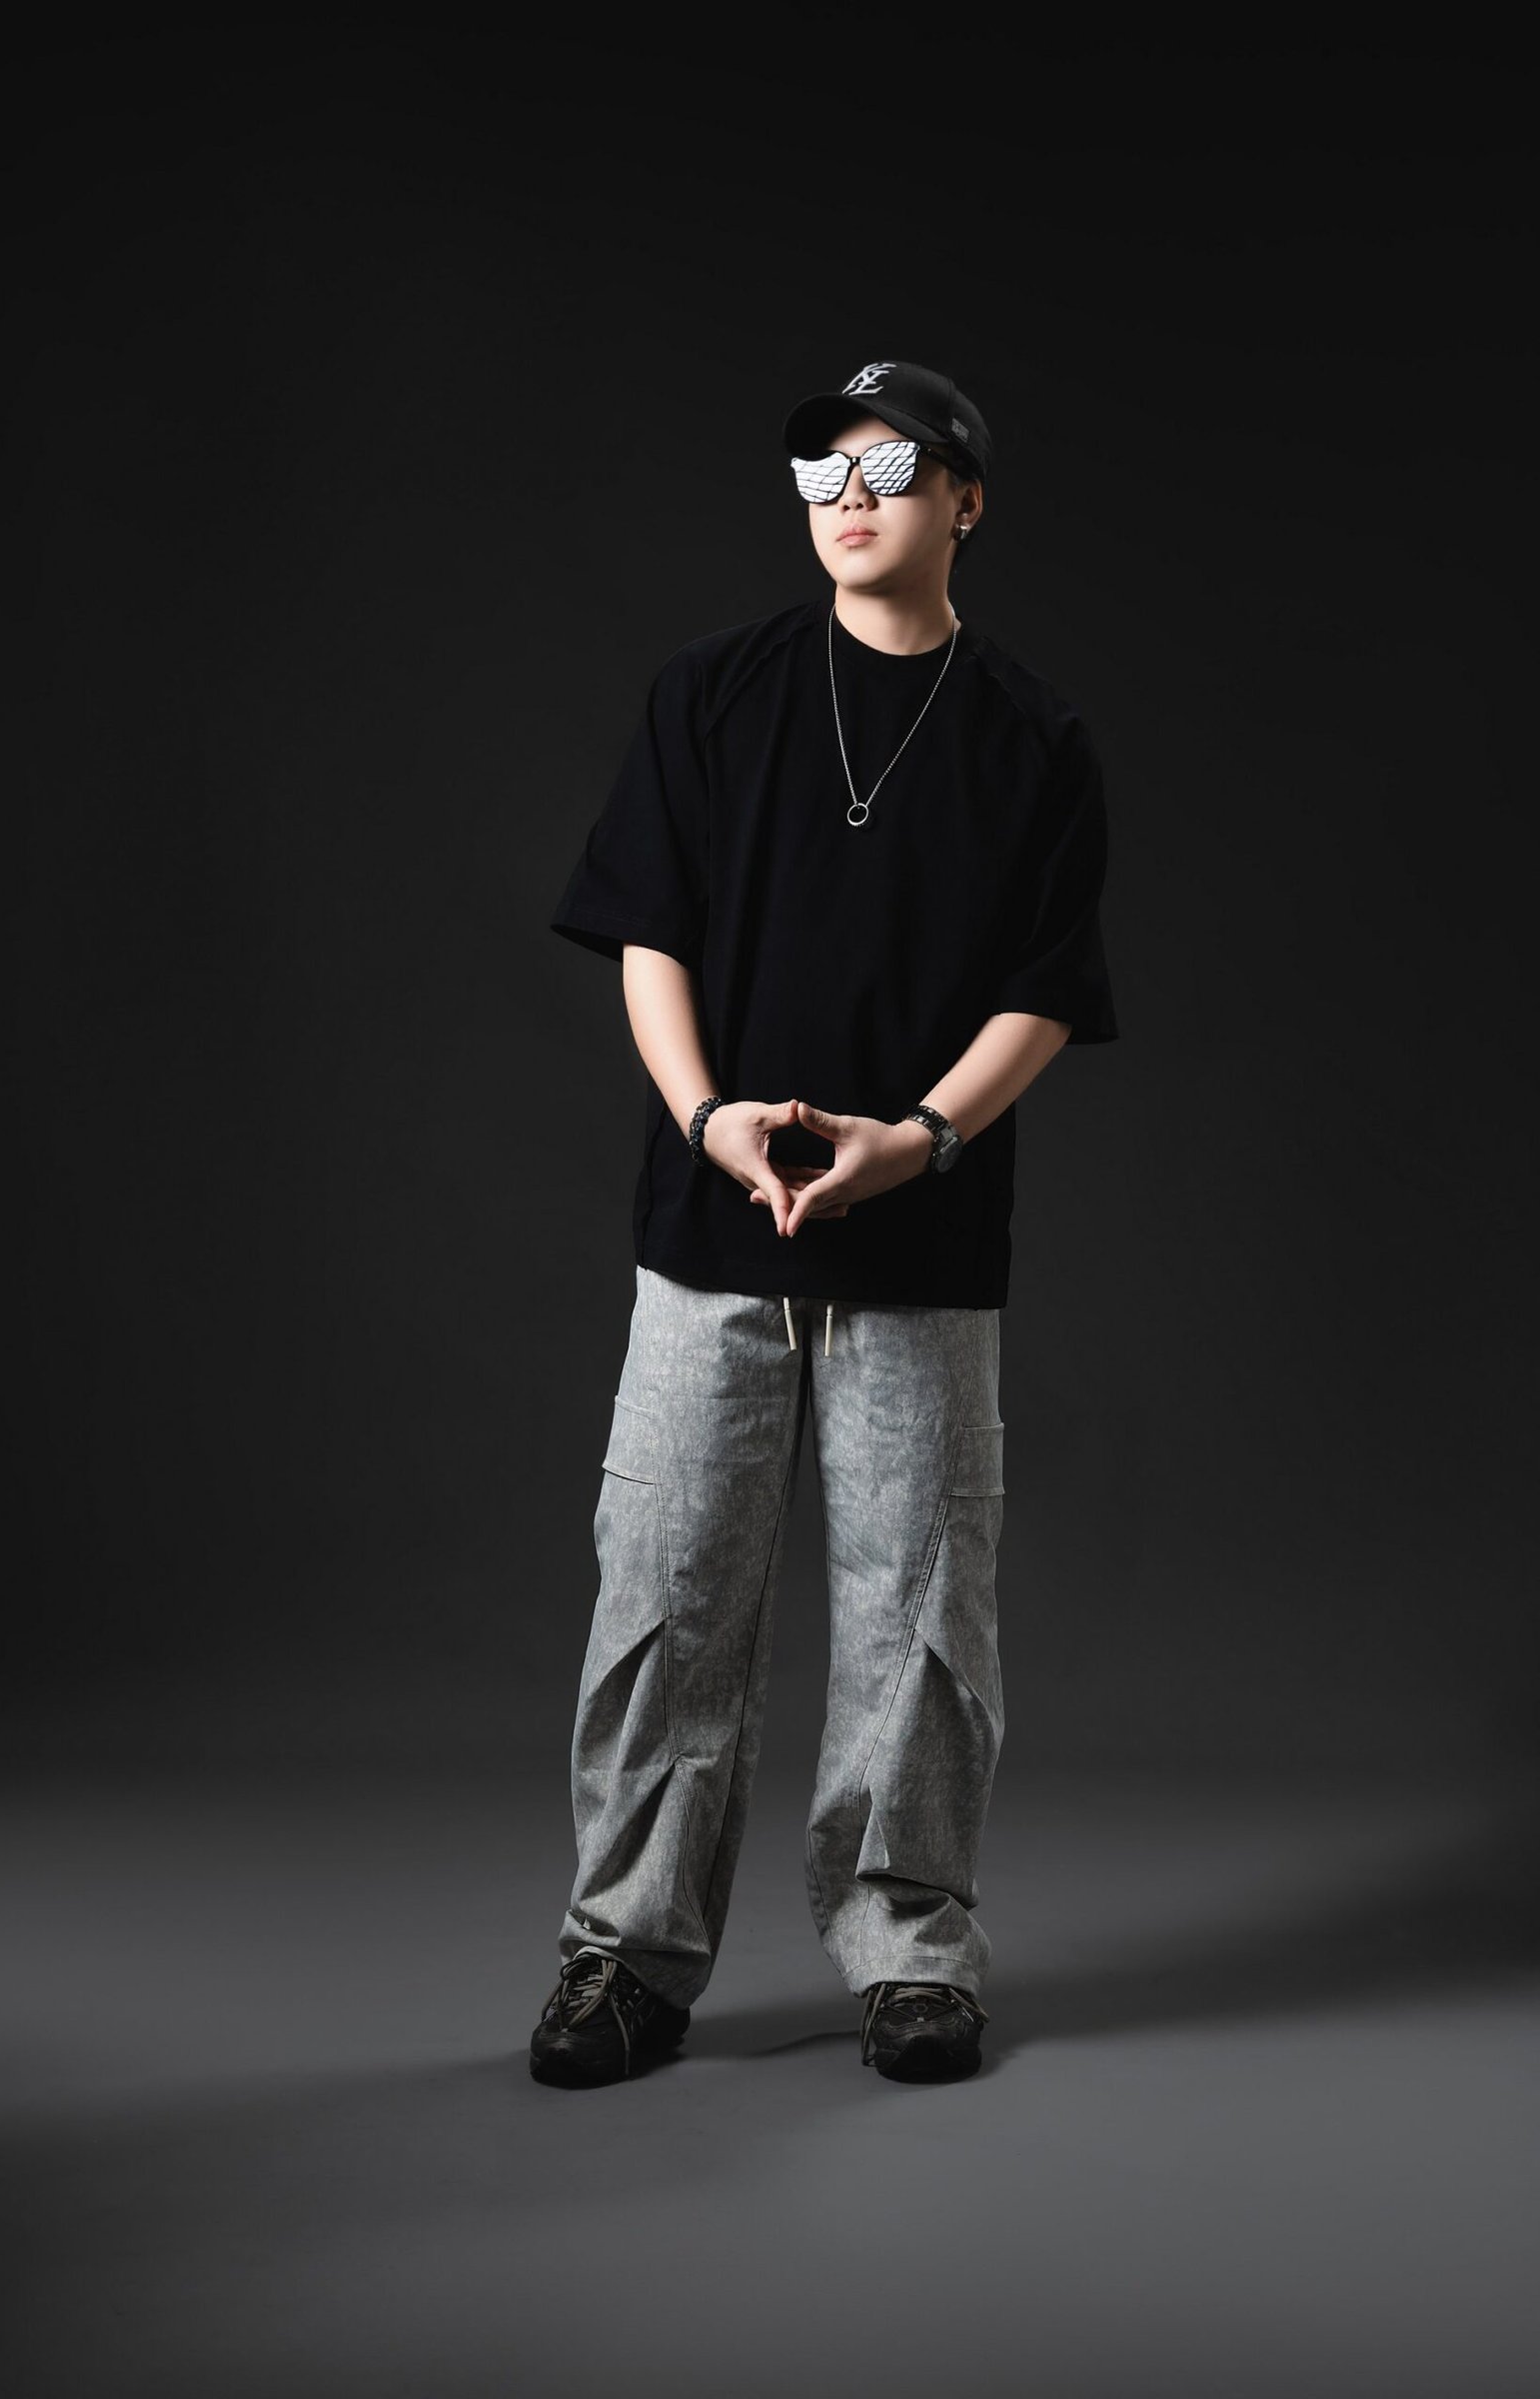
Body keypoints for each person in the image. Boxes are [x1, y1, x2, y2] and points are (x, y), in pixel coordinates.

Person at [532, 359, 1119, 2088]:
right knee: (665, 1597)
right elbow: (650, 930)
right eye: (820, 472)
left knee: (923, 1619)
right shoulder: (712, 693)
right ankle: (624, 1956)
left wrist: (919, 1140)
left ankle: (912, 1949)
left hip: (921, 1233)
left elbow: (1046, 992)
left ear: (967, 501)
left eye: (890, 468)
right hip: (709, 1226)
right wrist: (707, 1118)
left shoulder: (1033, 737)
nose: (849, 499)